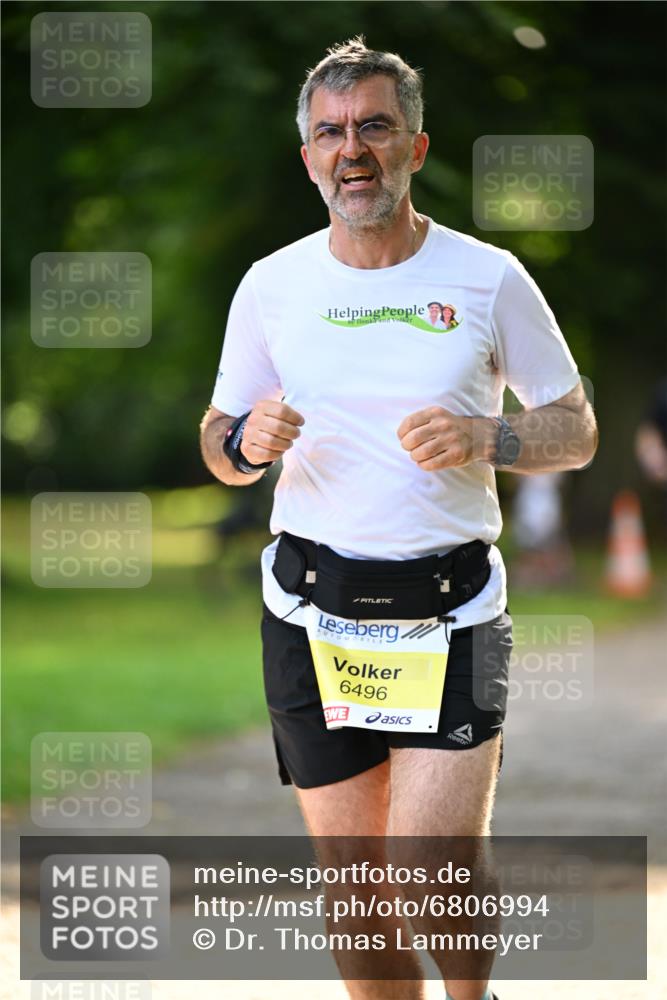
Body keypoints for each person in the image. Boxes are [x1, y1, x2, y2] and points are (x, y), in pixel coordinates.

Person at [200, 37, 598, 1000]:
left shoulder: (488, 277)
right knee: (357, 893)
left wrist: (486, 438)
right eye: (331, 132)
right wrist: (247, 442)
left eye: (375, 126)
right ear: (308, 157)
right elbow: (216, 445)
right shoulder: (272, 284)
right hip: (313, 608)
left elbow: (576, 430)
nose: (353, 149)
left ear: (416, 148)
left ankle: (474, 997)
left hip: (450, 608)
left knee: (434, 872)